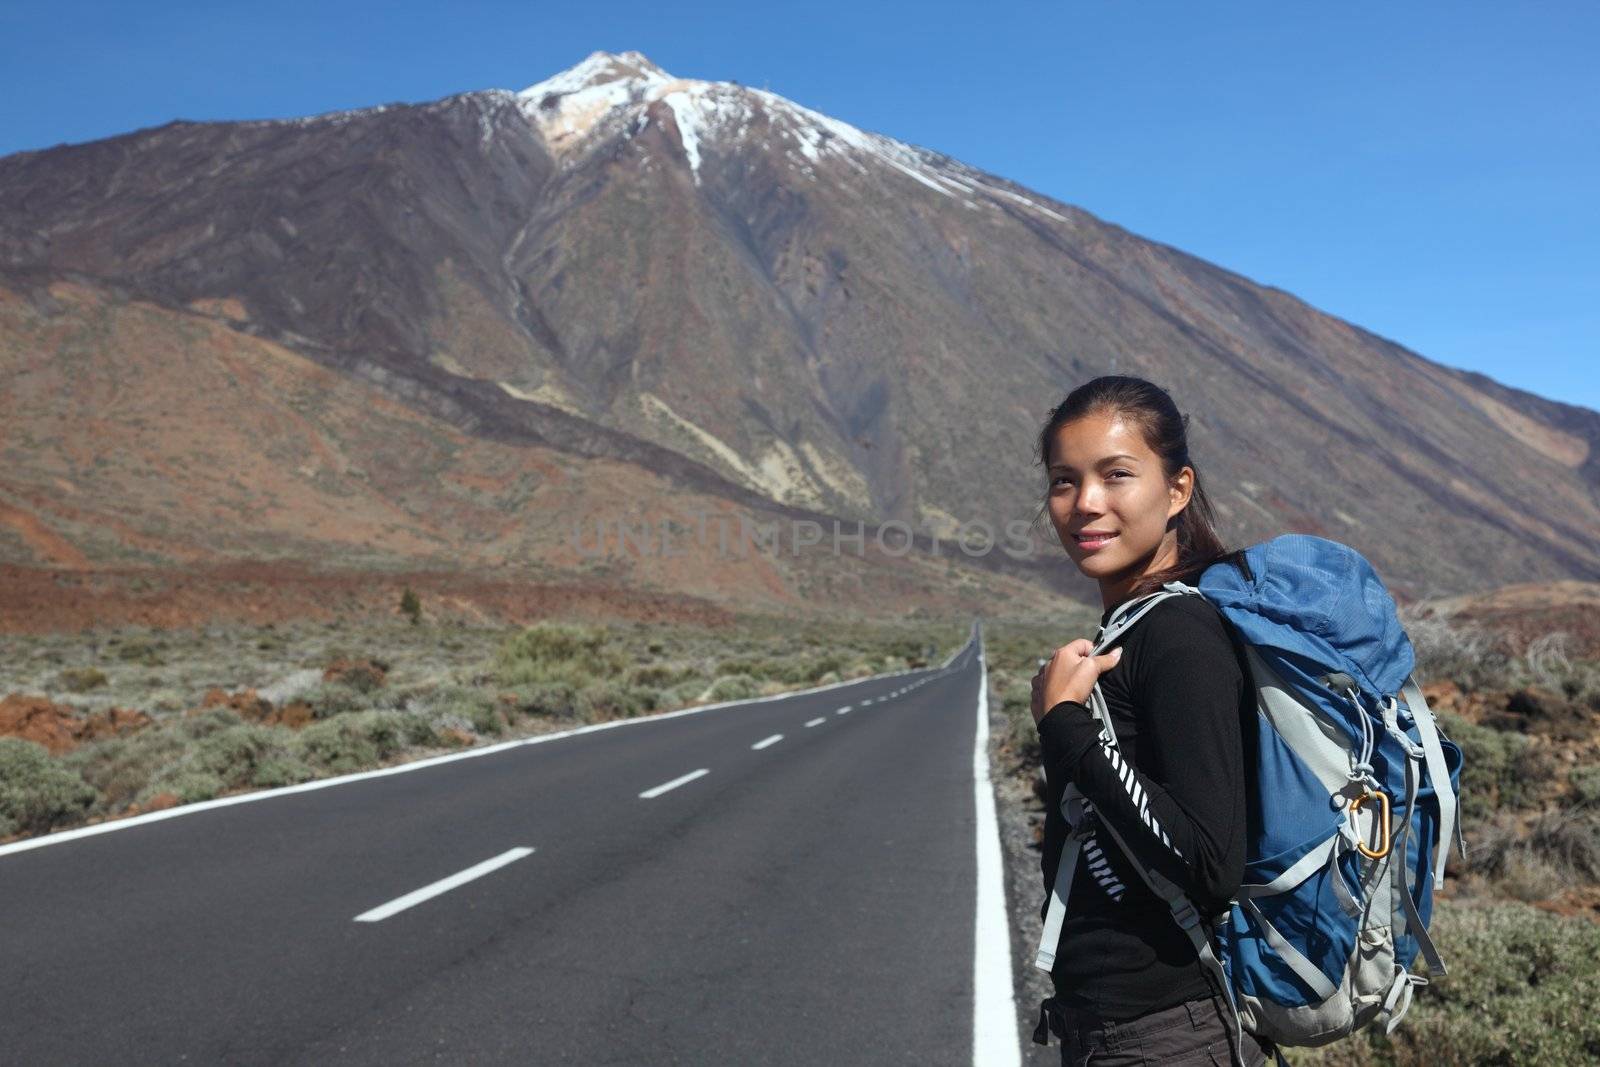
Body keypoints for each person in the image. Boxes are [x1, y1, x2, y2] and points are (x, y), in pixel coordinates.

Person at [1027, 375, 1269, 1067]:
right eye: (1063, 480)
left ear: (1178, 489)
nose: (1086, 503)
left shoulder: (1179, 635)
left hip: (1168, 1037)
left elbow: (1208, 861)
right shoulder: (1130, 628)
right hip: (1117, 1032)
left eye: (1117, 474)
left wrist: (1067, 723)